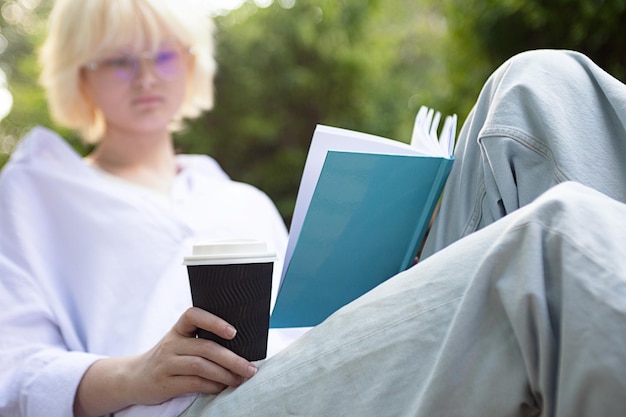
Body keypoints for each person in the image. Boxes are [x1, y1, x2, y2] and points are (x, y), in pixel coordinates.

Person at [1, 1, 625, 417]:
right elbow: (12, 371)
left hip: (311, 372)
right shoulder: (34, 195)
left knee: (542, 85)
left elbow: (305, 327)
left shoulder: (236, 199)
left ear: (190, 64)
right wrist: (135, 374)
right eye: (117, 59)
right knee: (557, 235)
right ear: (78, 76)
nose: (144, 77)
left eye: (163, 54)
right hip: (192, 410)